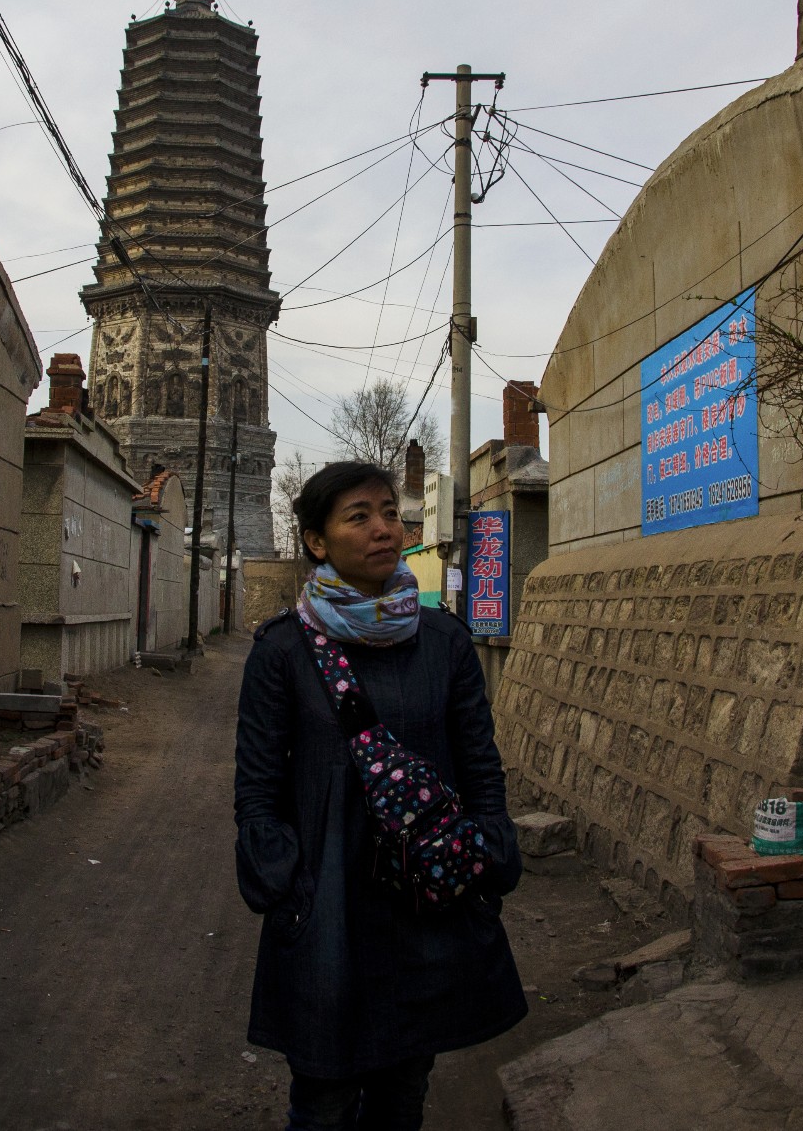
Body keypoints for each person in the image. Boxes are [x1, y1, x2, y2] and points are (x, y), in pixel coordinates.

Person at [234, 460, 527, 1130]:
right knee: (325, 1095)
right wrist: (286, 881)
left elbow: (480, 763)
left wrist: (485, 847)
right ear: (316, 541)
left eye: (390, 512)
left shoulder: (444, 642)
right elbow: (257, 786)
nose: (383, 528)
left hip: (425, 900)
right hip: (327, 904)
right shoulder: (283, 651)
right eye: (358, 516)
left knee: (403, 1085)